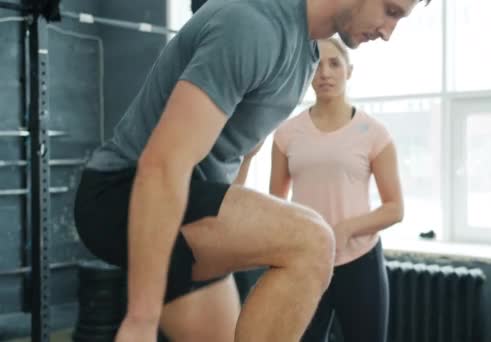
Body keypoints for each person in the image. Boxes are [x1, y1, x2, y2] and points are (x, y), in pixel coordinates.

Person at [73, 0, 429, 340]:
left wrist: (233, 221)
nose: (388, 32)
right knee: (313, 241)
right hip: (125, 194)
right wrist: (140, 321)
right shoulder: (252, 25)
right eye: (390, 11)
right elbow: (163, 165)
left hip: (189, 203)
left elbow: (241, 152)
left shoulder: (304, 52)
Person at [270, 37, 404, 342]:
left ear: (349, 71)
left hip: (360, 262)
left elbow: (395, 209)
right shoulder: (286, 133)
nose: (325, 73)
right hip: (306, 263)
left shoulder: (374, 133)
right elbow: (275, 205)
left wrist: (345, 229)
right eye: (316, 65)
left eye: (334, 64)